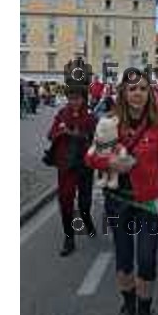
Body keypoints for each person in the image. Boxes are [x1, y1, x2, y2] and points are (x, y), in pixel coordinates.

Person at [85, 69, 158, 315]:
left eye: (143, 89)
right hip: (118, 200)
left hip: (149, 200)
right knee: (124, 259)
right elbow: (91, 157)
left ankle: (146, 310)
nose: (137, 93)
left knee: (146, 260)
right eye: (132, 88)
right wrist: (108, 162)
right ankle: (128, 303)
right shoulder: (109, 123)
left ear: (150, 93)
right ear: (123, 91)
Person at [47, 82, 97, 256]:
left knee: (84, 202)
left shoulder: (91, 117)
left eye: (77, 98)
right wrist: (61, 132)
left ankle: (87, 219)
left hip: (85, 164)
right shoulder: (62, 114)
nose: (74, 102)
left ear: (84, 99)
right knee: (65, 201)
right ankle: (69, 237)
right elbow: (50, 134)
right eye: (71, 98)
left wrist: (79, 135)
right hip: (66, 165)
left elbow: (97, 141)